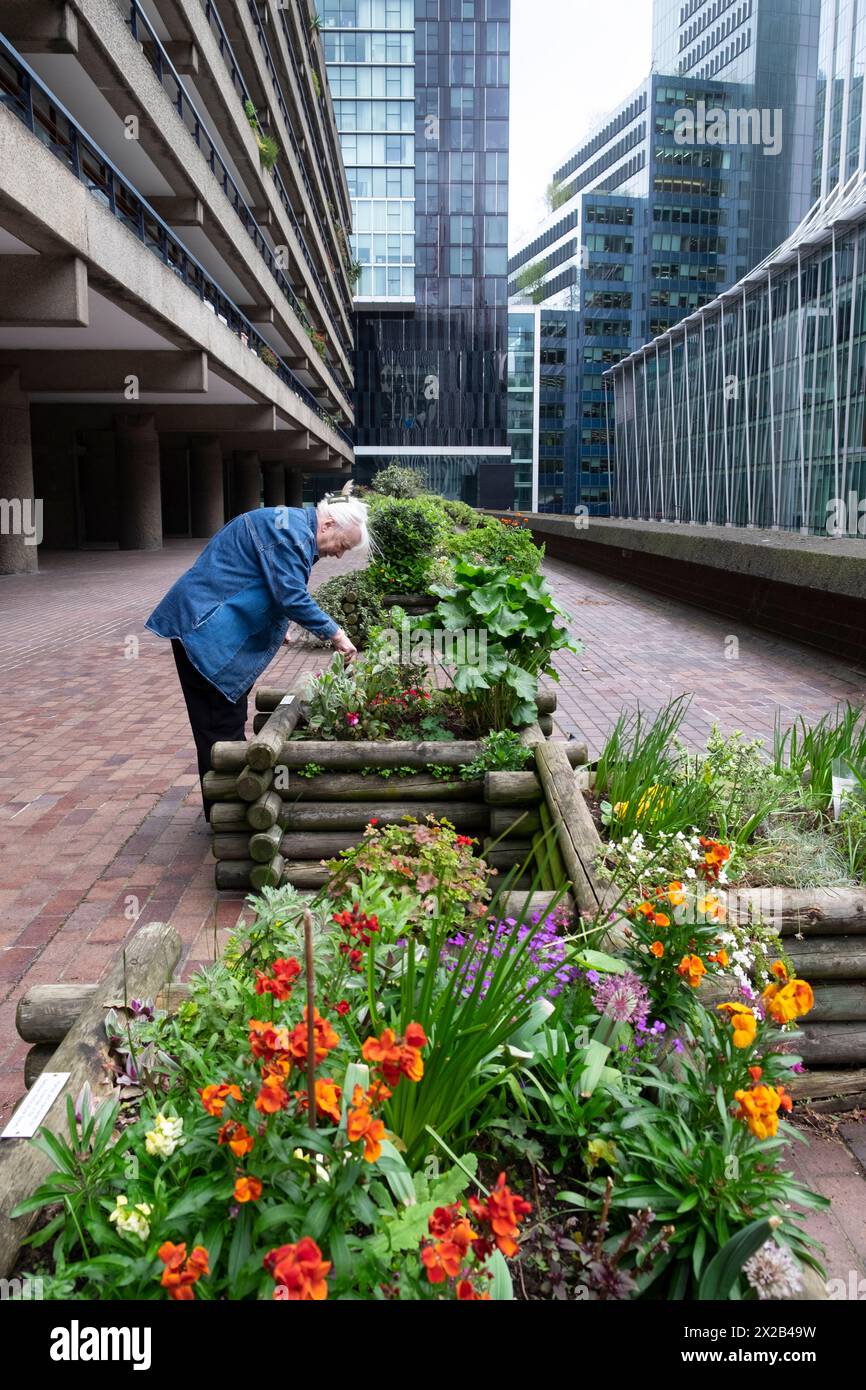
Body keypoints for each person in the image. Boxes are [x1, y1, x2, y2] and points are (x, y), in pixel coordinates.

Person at [146, 492, 368, 816]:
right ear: (329, 524)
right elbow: (290, 594)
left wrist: (277, 626)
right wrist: (336, 633)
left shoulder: (290, 527)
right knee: (219, 727)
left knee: (226, 722)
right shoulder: (290, 530)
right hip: (203, 631)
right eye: (343, 545)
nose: (338, 554)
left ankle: (229, 807)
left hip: (207, 627)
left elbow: (260, 578)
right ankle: (226, 815)